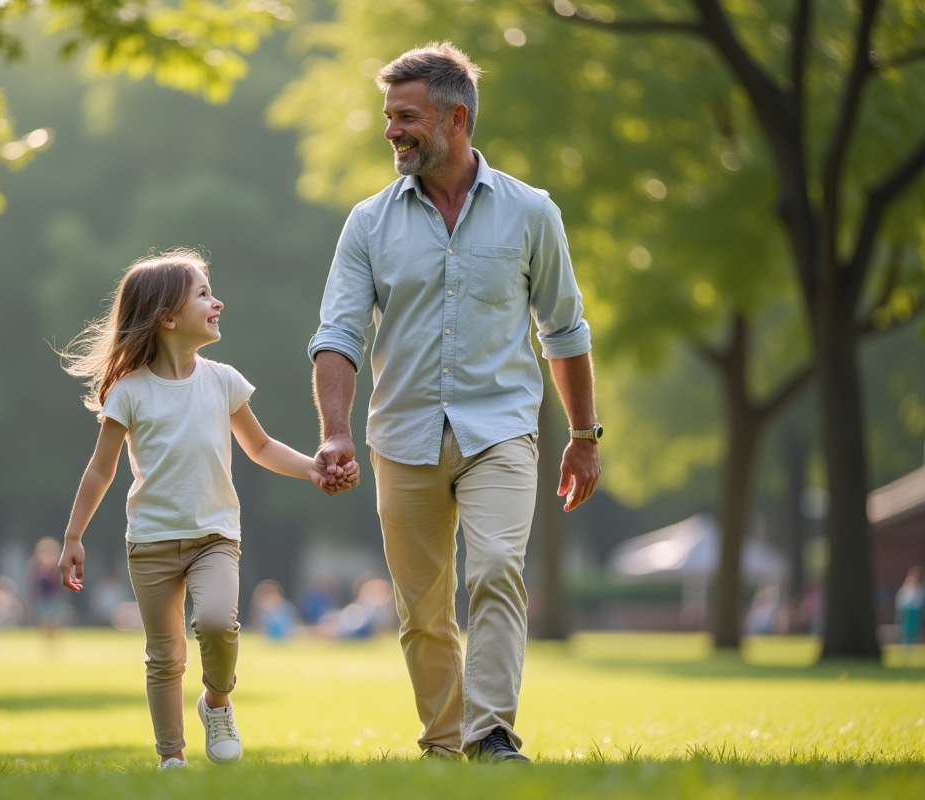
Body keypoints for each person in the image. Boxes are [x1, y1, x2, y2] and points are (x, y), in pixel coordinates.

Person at [309, 43, 601, 764]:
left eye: (406, 118)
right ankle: (444, 744)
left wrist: (585, 433)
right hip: (400, 434)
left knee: (497, 565)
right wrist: (335, 432)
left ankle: (491, 734)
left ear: (456, 118)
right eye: (388, 117)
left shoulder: (532, 213)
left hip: (501, 428)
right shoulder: (368, 223)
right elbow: (338, 333)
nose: (391, 132)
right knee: (423, 609)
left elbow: (564, 328)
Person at [56, 249, 358, 770]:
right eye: (203, 293)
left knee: (218, 624)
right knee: (165, 655)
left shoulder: (223, 381)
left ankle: (216, 703)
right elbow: (100, 470)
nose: (217, 301)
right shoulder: (128, 393)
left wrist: (312, 467)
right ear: (167, 317)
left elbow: (260, 447)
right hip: (150, 543)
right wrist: (73, 537)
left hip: (215, 537)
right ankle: (171, 756)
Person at [28, 537, 65, 643]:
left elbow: (61, 583)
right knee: (44, 622)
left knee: (54, 621)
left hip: (54, 597)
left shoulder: (58, 566)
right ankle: (47, 641)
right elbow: (34, 583)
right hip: (42, 598)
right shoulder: (36, 566)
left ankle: (54, 641)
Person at [896, 566, 923, 646]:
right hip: (907, 609)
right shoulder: (906, 588)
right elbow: (902, 599)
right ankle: (906, 641)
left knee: (914, 627)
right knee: (906, 627)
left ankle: (912, 641)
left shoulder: (919, 589)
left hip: (915, 609)